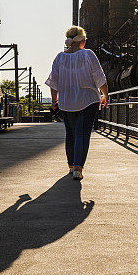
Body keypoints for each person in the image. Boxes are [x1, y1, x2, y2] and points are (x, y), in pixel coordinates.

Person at [45, 26, 109, 181]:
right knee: (82, 134)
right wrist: (105, 94)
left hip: (66, 102)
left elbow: (54, 82)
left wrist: (55, 101)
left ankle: (72, 166)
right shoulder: (88, 55)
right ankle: (78, 168)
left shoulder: (59, 57)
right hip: (88, 100)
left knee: (71, 134)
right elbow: (99, 77)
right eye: (85, 39)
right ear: (81, 40)